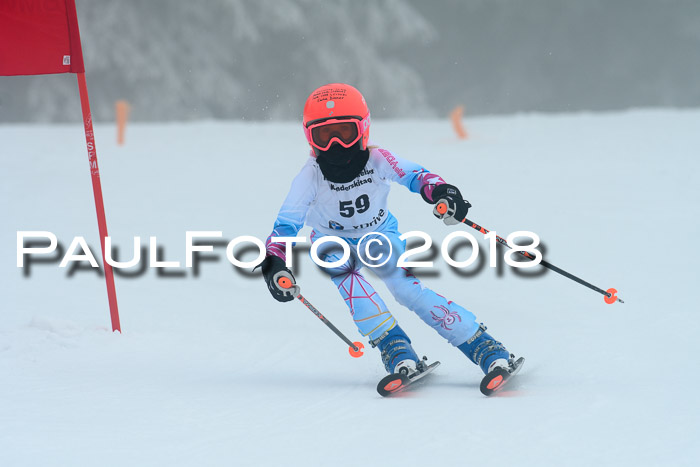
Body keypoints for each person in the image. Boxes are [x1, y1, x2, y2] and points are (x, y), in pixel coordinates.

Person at [259, 83, 516, 379]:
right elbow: (285, 227)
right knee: (352, 285)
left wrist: (443, 193)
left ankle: (482, 345)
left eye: (345, 134)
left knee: (406, 290)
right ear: (310, 137)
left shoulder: (377, 159)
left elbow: (417, 176)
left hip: (379, 234)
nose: (335, 146)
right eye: (323, 136)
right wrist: (274, 263)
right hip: (331, 242)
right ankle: (395, 348)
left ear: (363, 130)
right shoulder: (310, 177)